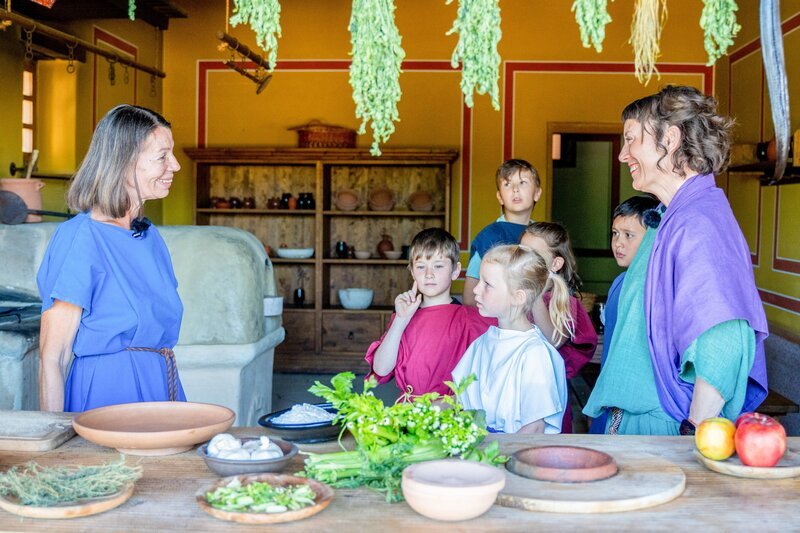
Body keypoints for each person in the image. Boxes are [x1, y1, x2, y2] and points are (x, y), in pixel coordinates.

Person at [583, 85, 768, 435]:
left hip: (665, 428)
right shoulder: (671, 216)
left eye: (631, 139)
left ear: (669, 139)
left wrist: (693, 432)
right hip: (639, 419)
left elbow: (723, 337)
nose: (622, 155)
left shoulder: (699, 222)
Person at [37, 104, 186, 412]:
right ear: (124, 161)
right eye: (162, 156)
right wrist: (52, 433)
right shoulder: (81, 238)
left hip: (160, 384)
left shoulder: (149, 237)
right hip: (108, 392)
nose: (175, 165)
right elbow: (54, 356)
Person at [365, 228, 495, 399]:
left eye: (438, 266)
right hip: (408, 409)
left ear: (455, 271)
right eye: (421, 267)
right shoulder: (403, 317)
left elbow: (490, 375)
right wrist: (400, 321)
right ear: (412, 272)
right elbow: (381, 369)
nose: (429, 274)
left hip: (450, 410)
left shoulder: (470, 320)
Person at [453, 245, 569, 434]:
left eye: (487, 284)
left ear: (518, 297)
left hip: (512, 450)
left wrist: (496, 450)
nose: (476, 289)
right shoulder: (482, 343)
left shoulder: (534, 353)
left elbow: (535, 428)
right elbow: (460, 401)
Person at [589, 195, 658, 434]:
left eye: (629, 235)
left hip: (634, 397)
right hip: (610, 384)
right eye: (615, 233)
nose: (618, 243)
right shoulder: (620, 281)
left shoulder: (652, 285)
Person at [520, 222, 598, 433]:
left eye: (534, 255)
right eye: (521, 252)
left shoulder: (563, 301)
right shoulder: (515, 295)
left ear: (555, 264)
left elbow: (554, 340)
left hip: (548, 393)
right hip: (516, 386)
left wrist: (535, 296)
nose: (524, 260)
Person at [462, 159, 542, 306]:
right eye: (507, 184)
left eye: (522, 182)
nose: (515, 189)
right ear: (500, 197)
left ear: (537, 193)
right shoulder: (488, 236)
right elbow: (470, 297)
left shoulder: (543, 236)